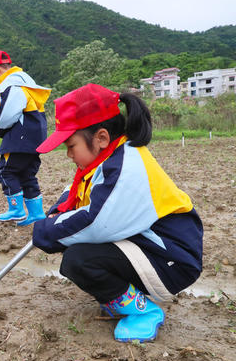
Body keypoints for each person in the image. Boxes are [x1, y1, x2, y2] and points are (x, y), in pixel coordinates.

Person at [32, 83, 203, 343]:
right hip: (150, 247)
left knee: (78, 258)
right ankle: (123, 298)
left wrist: (46, 230)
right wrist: (57, 213)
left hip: (173, 259)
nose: (68, 154)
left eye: (70, 145)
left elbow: (96, 223)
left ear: (100, 137)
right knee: (75, 243)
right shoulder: (108, 157)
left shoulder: (127, 165)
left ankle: (143, 312)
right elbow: (75, 192)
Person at [0, 50, 51, 226]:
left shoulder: (11, 84)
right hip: (35, 137)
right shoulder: (25, 82)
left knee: (6, 171)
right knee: (27, 174)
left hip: (20, 138)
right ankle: (36, 213)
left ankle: (16, 210)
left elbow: (7, 115)